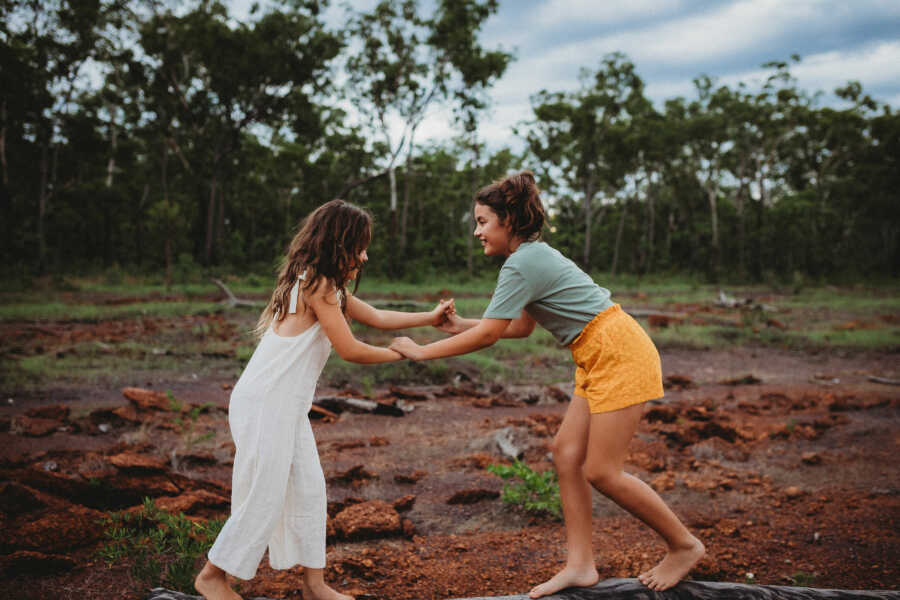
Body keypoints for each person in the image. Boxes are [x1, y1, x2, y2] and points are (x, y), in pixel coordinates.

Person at [389, 172, 704, 596]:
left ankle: (683, 545)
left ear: (509, 221)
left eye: (483, 221)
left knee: (602, 471)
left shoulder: (522, 262)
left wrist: (422, 351)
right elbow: (517, 329)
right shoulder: (528, 258)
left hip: (618, 352)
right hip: (598, 352)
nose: (476, 230)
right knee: (566, 453)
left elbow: (488, 335)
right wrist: (457, 325)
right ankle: (580, 565)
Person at [195, 199, 453, 600]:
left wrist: (429, 318)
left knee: (309, 489)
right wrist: (404, 352)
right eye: (361, 246)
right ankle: (212, 576)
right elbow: (351, 349)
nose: (365, 255)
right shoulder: (318, 286)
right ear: (341, 244)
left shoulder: (321, 283)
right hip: (267, 404)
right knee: (264, 493)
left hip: (282, 405)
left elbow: (378, 317)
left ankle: (315, 585)